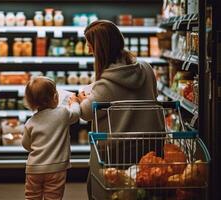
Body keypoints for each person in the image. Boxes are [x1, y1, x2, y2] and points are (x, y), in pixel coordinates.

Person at [77, 20, 164, 199]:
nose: (88, 51)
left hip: (118, 152)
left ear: (101, 49)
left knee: (111, 191)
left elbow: (86, 112)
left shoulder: (106, 84)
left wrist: (81, 98)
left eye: (90, 46)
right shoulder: (146, 68)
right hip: (151, 145)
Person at [22, 76, 81, 200]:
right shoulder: (62, 113)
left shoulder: (30, 122)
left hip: (34, 168)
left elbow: (26, 145)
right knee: (53, 197)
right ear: (55, 97)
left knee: (32, 196)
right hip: (56, 168)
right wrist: (74, 102)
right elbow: (76, 115)